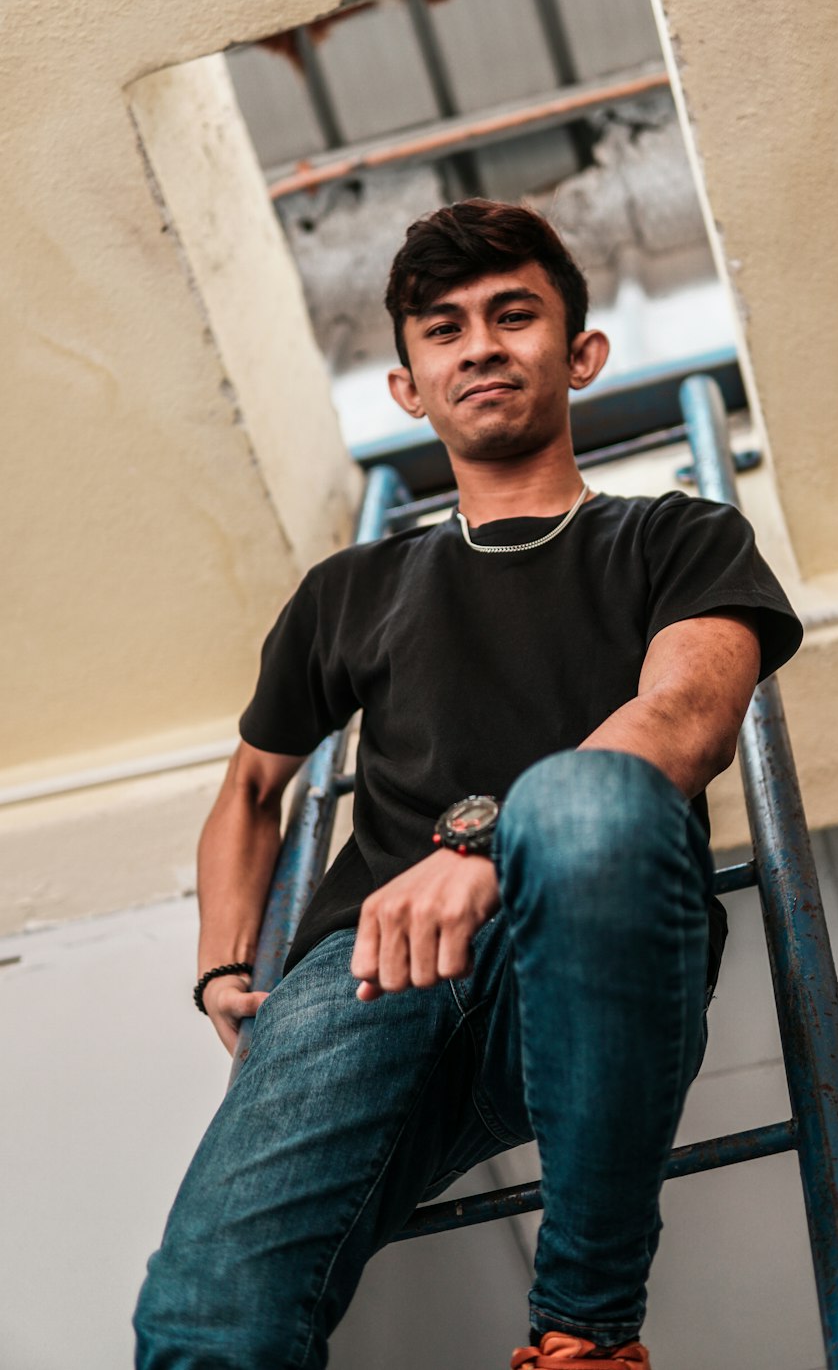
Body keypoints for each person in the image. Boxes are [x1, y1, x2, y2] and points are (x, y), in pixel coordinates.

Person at [134, 199, 802, 1370]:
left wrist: (486, 852)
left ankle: (585, 1335)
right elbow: (250, 792)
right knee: (200, 1326)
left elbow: (685, 718)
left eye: (513, 315)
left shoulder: (677, 537)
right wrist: (221, 970)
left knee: (579, 804)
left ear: (579, 354)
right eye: (442, 330)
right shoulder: (350, 588)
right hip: (360, 978)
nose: (479, 346)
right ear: (408, 386)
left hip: (577, 944)